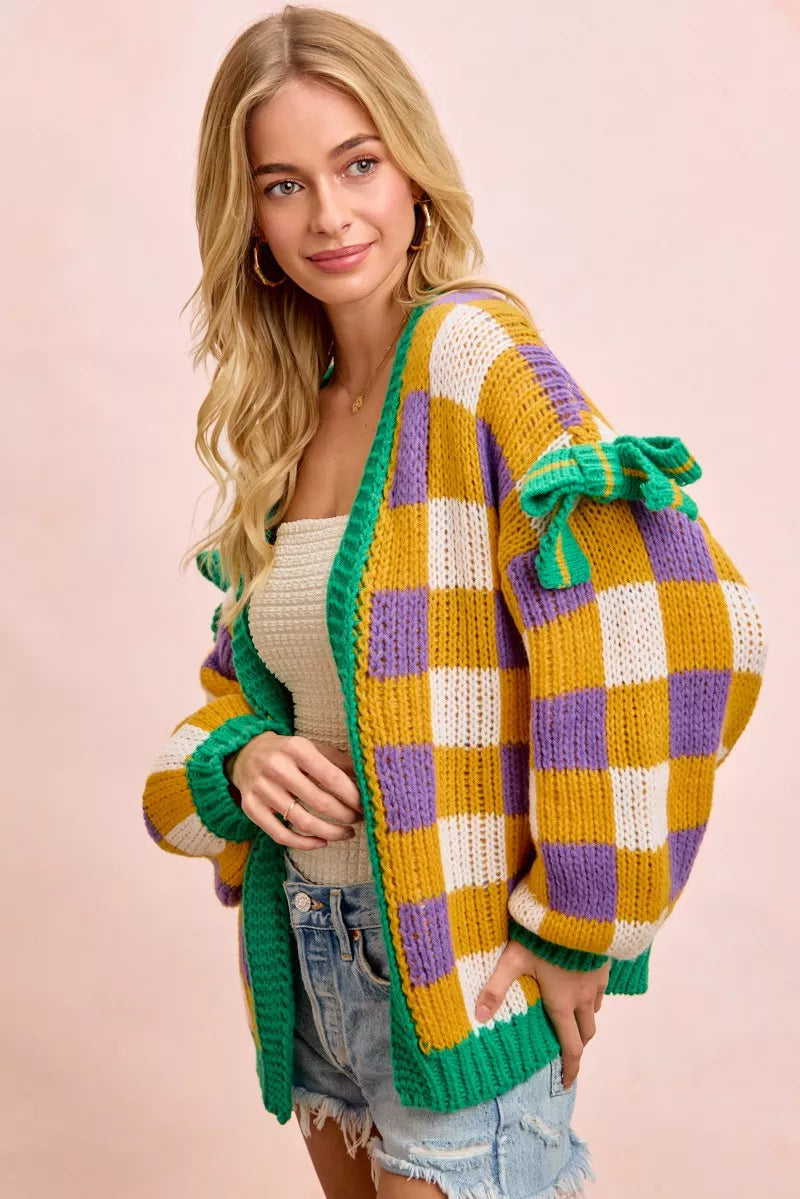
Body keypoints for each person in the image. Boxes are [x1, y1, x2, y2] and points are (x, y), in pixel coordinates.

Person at [141, 7, 769, 1197]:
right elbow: (208, 734)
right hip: (314, 967)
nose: (330, 216)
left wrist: (579, 920)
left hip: (458, 970)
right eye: (283, 185)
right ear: (249, 221)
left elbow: (680, 627)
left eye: (357, 164)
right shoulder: (285, 424)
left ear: (413, 175)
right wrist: (239, 761)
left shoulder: (473, 357)